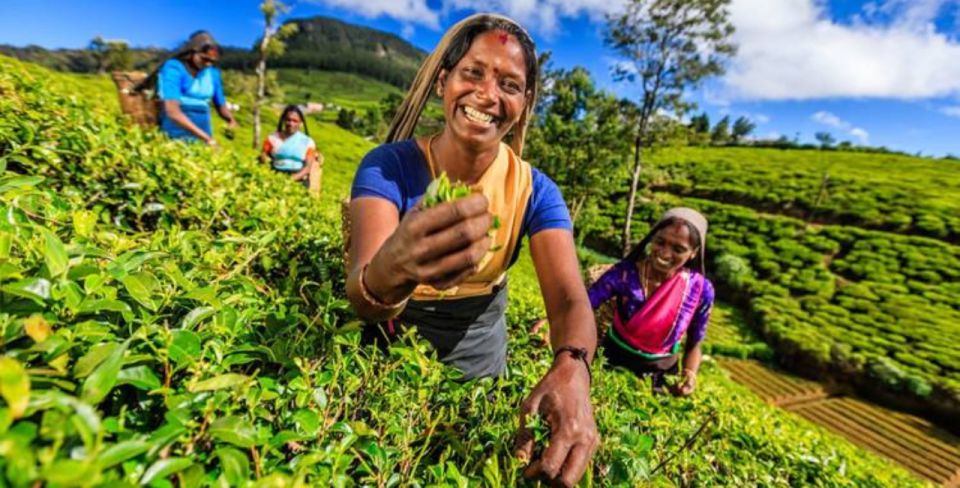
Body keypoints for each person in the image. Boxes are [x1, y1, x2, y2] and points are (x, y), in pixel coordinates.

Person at [346, 13, 598, 487]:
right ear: (444, 81)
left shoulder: (535, 192)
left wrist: (573, 365)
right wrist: (393, 267)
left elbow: (568, 299)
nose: (487, 94)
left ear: (523, 105)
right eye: (473, 73)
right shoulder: (389, 168)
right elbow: (362, 295)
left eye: (509, 84)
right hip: (388, 341)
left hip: (479, 348)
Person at [588, 208, 715, 396]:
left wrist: (689, 375)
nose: (664, 253)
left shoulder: (700, 290)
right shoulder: (625, 274)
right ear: (652, 237)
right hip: (610, 363)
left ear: (694, 253)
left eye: (678, 249)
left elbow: (694, 343)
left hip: (659, 379)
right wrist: (551, 323)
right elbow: (585, 305)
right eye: (660, 242)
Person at [156, 31, 236, 145]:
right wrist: (207, 139)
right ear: (193, 53)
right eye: (204, 59)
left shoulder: (212, 73)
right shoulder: (174, 67)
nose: (208, 64)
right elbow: (172, 112)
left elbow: (220, 104)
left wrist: (230, 120)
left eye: (212, 61)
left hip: (203, 128)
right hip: (176, 128)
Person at [260, 105, 321, 188]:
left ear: (301, 123)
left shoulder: (308, 142)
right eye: (288, 120)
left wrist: (289, 180)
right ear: (284, 120)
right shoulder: (272, 139)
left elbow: (307, 168)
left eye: (295, 121)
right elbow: (263, 156)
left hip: (299, 179)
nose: (291, 123)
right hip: (275, 176)